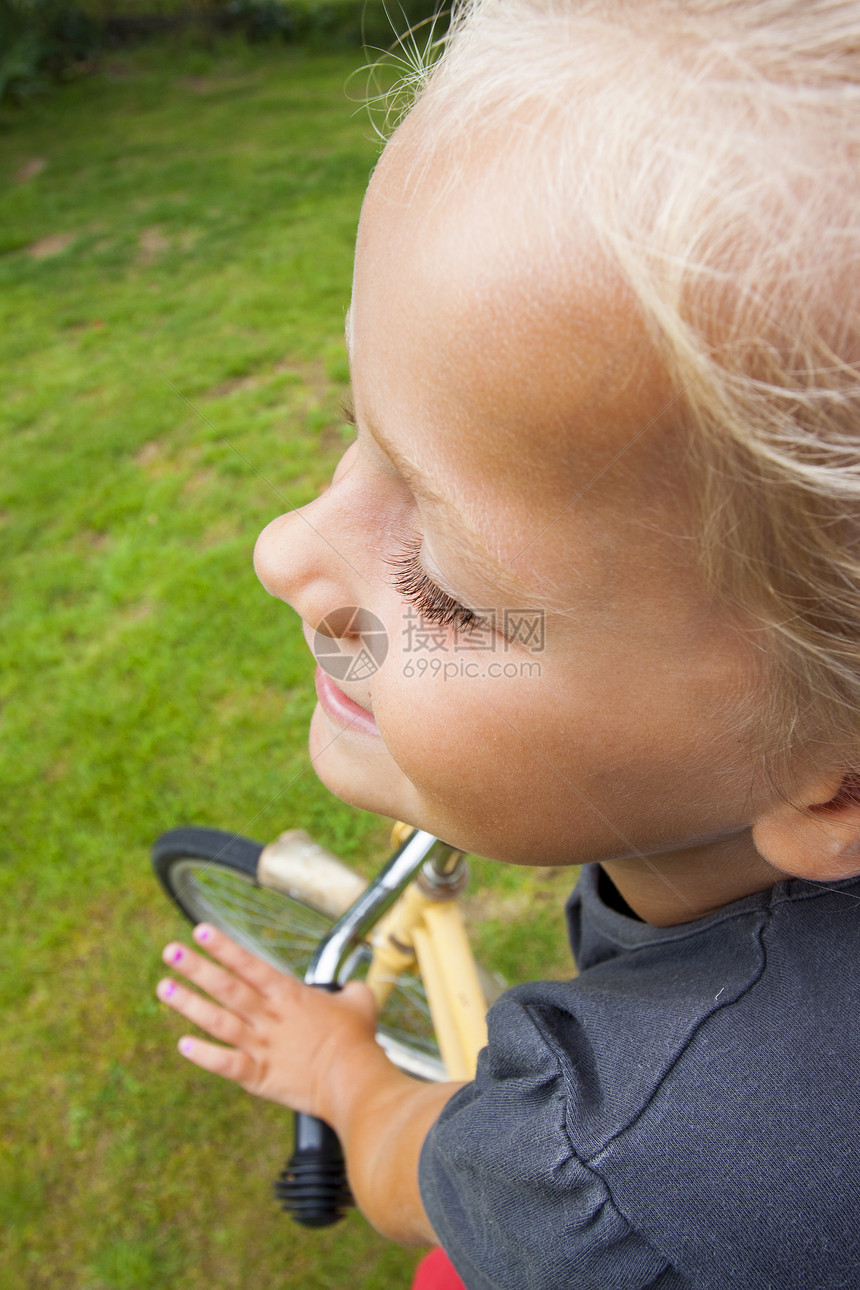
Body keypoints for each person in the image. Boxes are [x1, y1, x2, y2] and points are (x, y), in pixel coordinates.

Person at [155, 2, 860, 1285]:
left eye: (449, 590)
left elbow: (403, 1169)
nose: (280, 550)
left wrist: (342, 1080)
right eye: (355, 424)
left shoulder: (604, 1166)